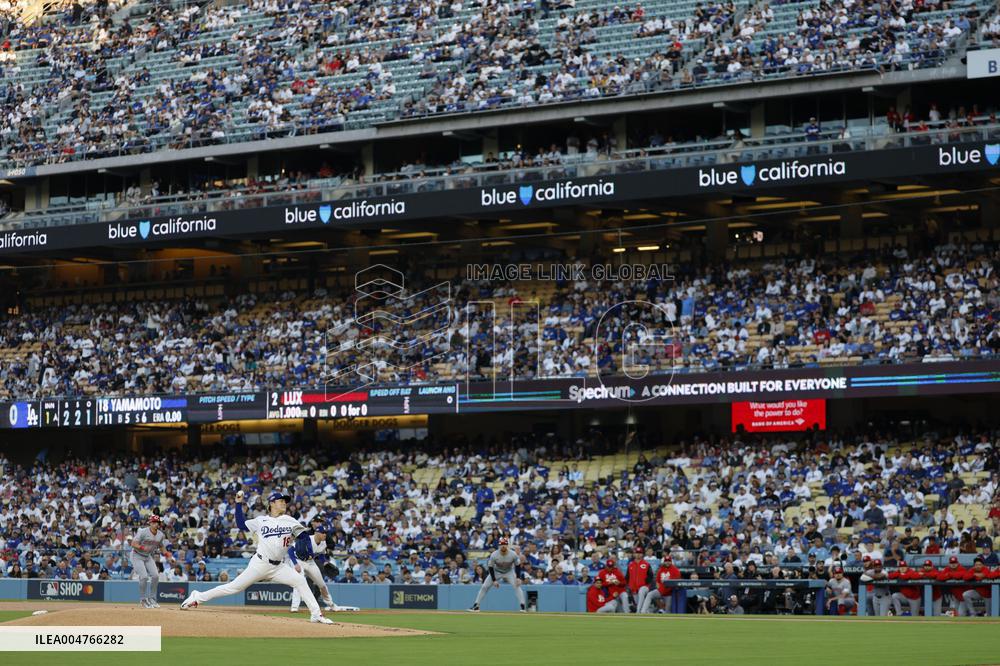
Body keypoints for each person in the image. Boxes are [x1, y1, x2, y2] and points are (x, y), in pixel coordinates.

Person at [180, 490, 333, 624]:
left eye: (285, 501)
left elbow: (304, 537)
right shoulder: (261, 520)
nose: (284, 503)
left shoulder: (291, 521)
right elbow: (240, 524)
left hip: (278, 566)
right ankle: (197, 597)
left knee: (300, 581)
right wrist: (238, 504)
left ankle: (316, 614)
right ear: (272, 503)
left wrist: (307, 541)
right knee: (233, 588)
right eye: (281, 501)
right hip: (260, 563)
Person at [289, 522, 356, 613]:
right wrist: (295, 564)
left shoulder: (323, 543)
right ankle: (294, 607)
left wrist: (324, 562)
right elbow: (290, 550)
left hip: (310, 562)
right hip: (298, 561)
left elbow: (320, 555)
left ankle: (331, 605)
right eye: (323, 533)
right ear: (317, 533)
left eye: (325, 533)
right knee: (299, 581)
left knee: (322, 585)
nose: (325, 534)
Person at [468, 537, 527, 612]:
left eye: (505, 544)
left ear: (507, 545)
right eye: (501, 544)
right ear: (499, 545)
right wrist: (494, 580)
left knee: (517, 586)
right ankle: (476, 606)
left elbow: (518, 565)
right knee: (484, 586)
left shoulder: (513, 554)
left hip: (509, 571)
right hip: (496, 571)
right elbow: (490, 567)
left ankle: (523, 607)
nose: (503, 546)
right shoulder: (494, 554)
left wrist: (518, 577)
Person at [129, 514, 173, 609]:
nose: (156, 524)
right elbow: (133, 543)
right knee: (144, 577)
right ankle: (143, 599)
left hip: (148, 556)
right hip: (136, 555)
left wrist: (167, 554)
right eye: (154, 522)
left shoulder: (160, 535)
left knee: (156, 576)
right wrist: (141, 547)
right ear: (150, 523)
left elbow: (161, 546)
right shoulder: (143, 532)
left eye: (157, 522)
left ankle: (152, 599)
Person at [626, 546, 653, 613]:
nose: (638, 554)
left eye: (640, 553)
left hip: (644, 587)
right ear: (634, 554)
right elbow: (627, 577)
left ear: (642, 554)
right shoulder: (630, 565)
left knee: (641, 592)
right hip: (634, 589)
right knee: (640, 603)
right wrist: (628, 587)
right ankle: (647, 613)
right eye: (637, 553)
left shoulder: (646, 564)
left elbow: (651, 575)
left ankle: (638, 612)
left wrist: (646, 582)